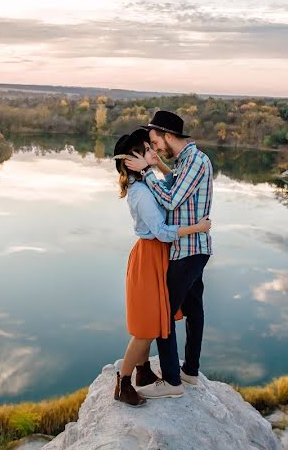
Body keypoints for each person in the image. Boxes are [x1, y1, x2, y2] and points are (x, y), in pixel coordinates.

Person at [112, 127, 212, 407]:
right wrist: (196, 228)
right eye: (147, 149)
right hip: (150, 255)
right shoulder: (141, 192)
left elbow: (173, 187)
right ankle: (123, 382)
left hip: (158, 256)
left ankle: (143, 373)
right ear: (134, 157)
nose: (152, 152)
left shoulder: (146, 183)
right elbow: (160, 230)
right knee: (148, 327)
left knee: (153, 319)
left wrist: (154, 165)